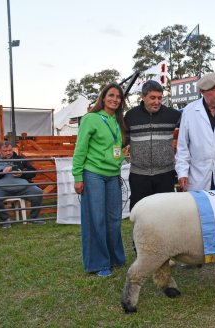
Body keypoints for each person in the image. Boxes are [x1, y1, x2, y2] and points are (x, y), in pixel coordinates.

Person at [72, 82, 127, 277]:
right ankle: (99, 263)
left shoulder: (118, 121)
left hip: (113, 175)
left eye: (118, 97)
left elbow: (116, 148)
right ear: (103, 98)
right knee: (96, 219)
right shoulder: (91, 118)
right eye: (111, 95)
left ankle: (116, 258)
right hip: (93, 173)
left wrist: (120, 156)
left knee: (114, 219)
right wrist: (78, 176)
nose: (115, 99)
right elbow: (80, 148)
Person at [124, 80, 181, 210]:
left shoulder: (173, 115)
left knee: (165, 212)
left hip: (165, 175)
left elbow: (191, 129)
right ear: (143, 97)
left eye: (160, 98)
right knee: (139, 212)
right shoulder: (130, 116)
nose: (157, 102)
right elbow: (122, 140)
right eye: (152, 98)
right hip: (139, 175)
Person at [0, 141, 44, 228]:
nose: (8, 153)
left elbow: (33, 172)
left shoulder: (20, 159)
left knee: (38, 192)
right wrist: (2, 172)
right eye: (5, 151)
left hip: (22, 187)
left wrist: (22, 173)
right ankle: (5, 219)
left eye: (10, 150)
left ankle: (34, 218)